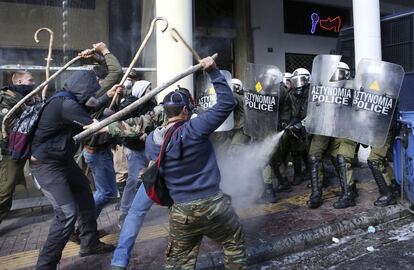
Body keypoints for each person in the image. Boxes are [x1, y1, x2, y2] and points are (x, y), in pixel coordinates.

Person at [145, 57, 246, 269]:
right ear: (184, 110)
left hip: (181, 212)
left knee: (179, 262)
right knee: (233, 242)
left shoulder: (152, 140)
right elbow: (228, 102)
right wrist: (213, 71)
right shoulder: (195, 128)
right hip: (214, 205)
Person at [29, 71, 116, 269]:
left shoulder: (68, 99)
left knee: (85, 193)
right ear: (83, 88)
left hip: (62, 161)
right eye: (93, 87)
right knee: (67, 213)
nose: (94, 92)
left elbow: (91, 105)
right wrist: (124, 124)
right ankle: (45, 265)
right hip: (45, 165)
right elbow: (95, 126)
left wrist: (108, 96)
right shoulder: (66, 104)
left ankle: (89, 243)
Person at [81, 42, 123, 218]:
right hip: (96, 151)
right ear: (97, 81)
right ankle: (83, 224)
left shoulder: (84, 92)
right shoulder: (96, 92)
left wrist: (95, 57)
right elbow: (116, 71)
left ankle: (85, 225)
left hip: (95, 150)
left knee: (105, 191)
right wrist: (104, 50)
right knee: (106, 193)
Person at [114, 80, 157, 227]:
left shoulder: (152, 104)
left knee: (151, 177)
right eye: (148, 88)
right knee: (132, 181)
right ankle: (125, 213)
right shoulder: (128, 105)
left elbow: (153, 122)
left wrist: (149, 133)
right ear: (141, 91)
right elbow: (122, 126)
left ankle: (142, 208)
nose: (151, 90)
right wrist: (138, 134)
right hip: (135, 148)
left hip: (149, 146)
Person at [0, 71, 35, 223]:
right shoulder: (7, 100)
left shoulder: (26, 98)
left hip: (25, 148)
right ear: (19, 82)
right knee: (5, 191)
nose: (33, 83)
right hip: (12, 151)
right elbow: (12, 127)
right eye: (30, 80)